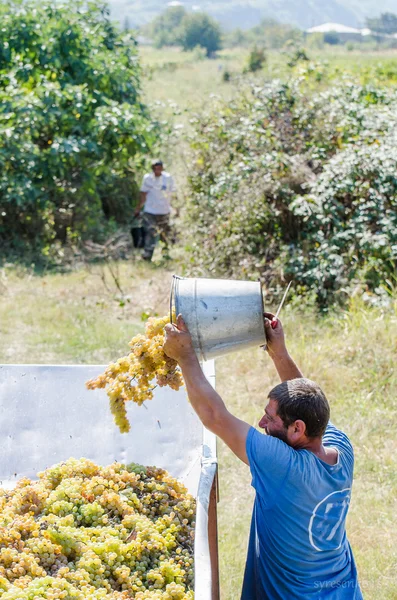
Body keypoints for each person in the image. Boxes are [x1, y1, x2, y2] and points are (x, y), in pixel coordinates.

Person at [163, 313, 363, 599]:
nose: (261, 423)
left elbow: (215, 416)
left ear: (298, 428)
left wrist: (185, 357)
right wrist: (278, 353)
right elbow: (308, 398)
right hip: (344, 590)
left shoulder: (285, 467)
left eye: (270, 418)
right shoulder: (340, 447)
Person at [134, 160, 176, 261]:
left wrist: (175, 208)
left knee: (165, 233)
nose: (158, 170)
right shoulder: (148, 178)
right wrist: (138, 208)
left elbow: (173, 194)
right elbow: (143, 194)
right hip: (150, 210)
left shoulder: (168, 178)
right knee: (150, 232)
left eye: (159, 168)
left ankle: (165, 253)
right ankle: (148, 254)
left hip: (164, 210)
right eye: (156, 168)